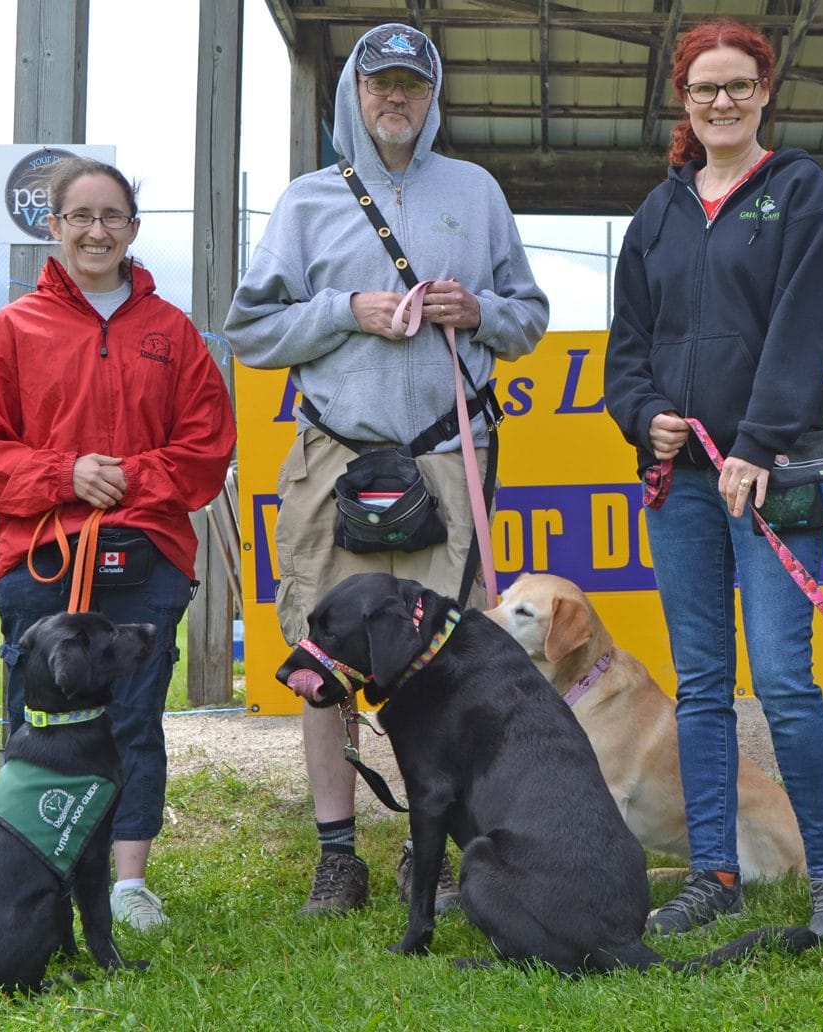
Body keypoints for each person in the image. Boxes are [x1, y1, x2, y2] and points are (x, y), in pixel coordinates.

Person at [224, 23, 548, 917]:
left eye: (410, 84)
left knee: (441, 661)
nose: (395, 99)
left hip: (448, 457)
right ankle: (339, 854)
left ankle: (428, 850)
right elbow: (249, 330)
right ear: (354, 96)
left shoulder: (476, 195)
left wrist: (478, 308)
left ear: (432, 95)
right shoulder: (306, 202)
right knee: (320, 659)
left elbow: (530, 317)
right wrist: (343, 312)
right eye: (379, 85)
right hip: (336, 459)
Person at [603, 17, 823, 941]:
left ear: (765, 95)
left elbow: (802, 334)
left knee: (786, 681)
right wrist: (646, 419)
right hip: (679, 490)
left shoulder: (799, 190)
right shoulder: (656, 215)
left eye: (738, 86)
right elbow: (623, 355)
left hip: (775, 477)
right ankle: (713, 872)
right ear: (685, 101)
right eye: (705, 88)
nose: (722, 101)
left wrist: (753, 444)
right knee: (703, 685)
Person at [0, 157, 237, 931]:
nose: (97, 231)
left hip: (144, 562)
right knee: (34, 721)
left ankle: (126, 885)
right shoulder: (11, 331)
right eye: (82, 216)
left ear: (134, 230)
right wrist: (65, 475)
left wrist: (125, 483)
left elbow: (207, 446)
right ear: (54, 227)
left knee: (134, 717)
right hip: (41, 558)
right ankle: (30, 872)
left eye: (113, 217)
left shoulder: (171, 333)